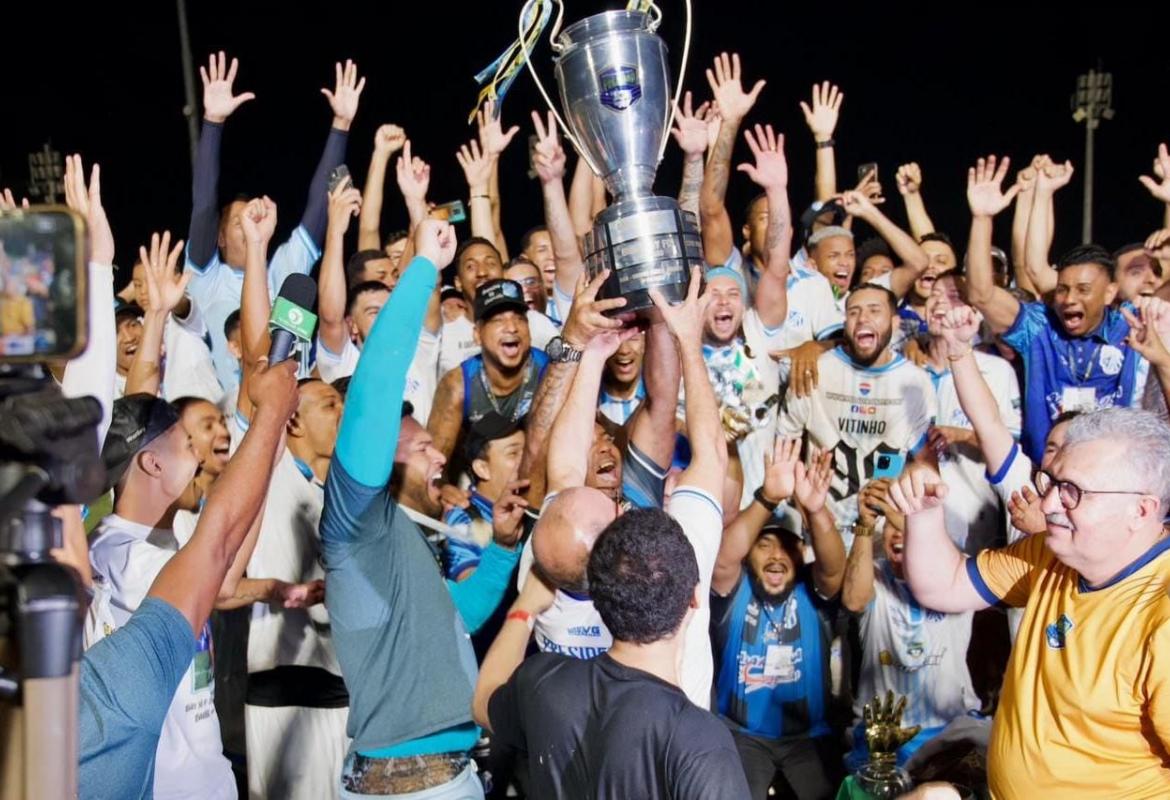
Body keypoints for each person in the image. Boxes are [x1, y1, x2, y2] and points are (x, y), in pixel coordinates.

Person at [320, 220, 521, 798]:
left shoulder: (402, 536)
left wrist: (503, 550)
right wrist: (423, 269)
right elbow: (374, 390)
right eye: (421, 447)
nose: (439, 453)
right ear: (382, 457)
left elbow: (456, 616)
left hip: (443, 774)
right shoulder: (354, 521)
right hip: (410, 787)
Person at [888, 408, 1170, 798]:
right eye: (1050, 481)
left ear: (1141, 510)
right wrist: (923, 513)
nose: (1049, 503)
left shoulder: (1162, 618)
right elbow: (944, 586)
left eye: (1073, 491)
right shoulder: (1051, 554)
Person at [79, 359, 300, 799]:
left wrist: (269, 455)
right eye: (186, 444)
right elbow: (221, 572)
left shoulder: (165, 541)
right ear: (152, 464)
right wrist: (268, 420)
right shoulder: (117, 553)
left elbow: (225, 561)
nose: (200, 456)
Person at [473, 509, 752, 799]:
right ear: (694, 598)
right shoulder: (699, 739)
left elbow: (482, 702)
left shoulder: (544, 681)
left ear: (598, 598)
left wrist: (524, 608)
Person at [183, 53, 361, 389]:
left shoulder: (284, 267)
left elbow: (318, 209)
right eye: (239, 221)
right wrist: (213, 122)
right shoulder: (208, 279)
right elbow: (204, 207)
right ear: (219, 238)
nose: (252, 221)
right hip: (238, 410)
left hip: (298, 406)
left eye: (255, 214)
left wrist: (341, 125)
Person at [964, 155, 1146, 461]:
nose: (1069, 299)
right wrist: (982, 219)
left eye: (1083, 290)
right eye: (1062, 289)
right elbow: (981, 295)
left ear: (1109, 293)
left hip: (1111, 471)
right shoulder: (1038, 327)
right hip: (1044, 472)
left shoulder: (1130, 324)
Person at [710, 439, 845, 800]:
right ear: (748, 553)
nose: (776, 555)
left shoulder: (812, 593)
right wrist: (767, 499)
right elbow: (722, 561)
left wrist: (816, 511)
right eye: (764, 544)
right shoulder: (735, 590)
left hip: (808, 738)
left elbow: (835, 570)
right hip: (742, 735)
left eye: (787, 546)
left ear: (801, 553)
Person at [777, 283, 937, 546]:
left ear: (895, 322)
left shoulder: (915, 382)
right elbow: (786, 447)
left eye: (874, 310)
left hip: (883, 534)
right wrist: (803, 507)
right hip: (821, 526)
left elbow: (925, 462)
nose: (862, 318)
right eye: (853, 312)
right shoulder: (814, 370)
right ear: (845, 323)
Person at [842, 478, 982, 768]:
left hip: (949, 727)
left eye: (904, 522)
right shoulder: (875, 574)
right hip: (882, 729)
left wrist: (892, 511)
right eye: (890, 526)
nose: (896, 532)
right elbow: (854, 601)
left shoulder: (959, 572)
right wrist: (865, 524)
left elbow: (933, 545)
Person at [428, 278, 550, 462]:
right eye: (498, 320)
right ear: (477, 334)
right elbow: (434, 464)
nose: (512, 328)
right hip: (480, 472)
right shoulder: (458, 385)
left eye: (519, 319)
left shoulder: (550, 373)